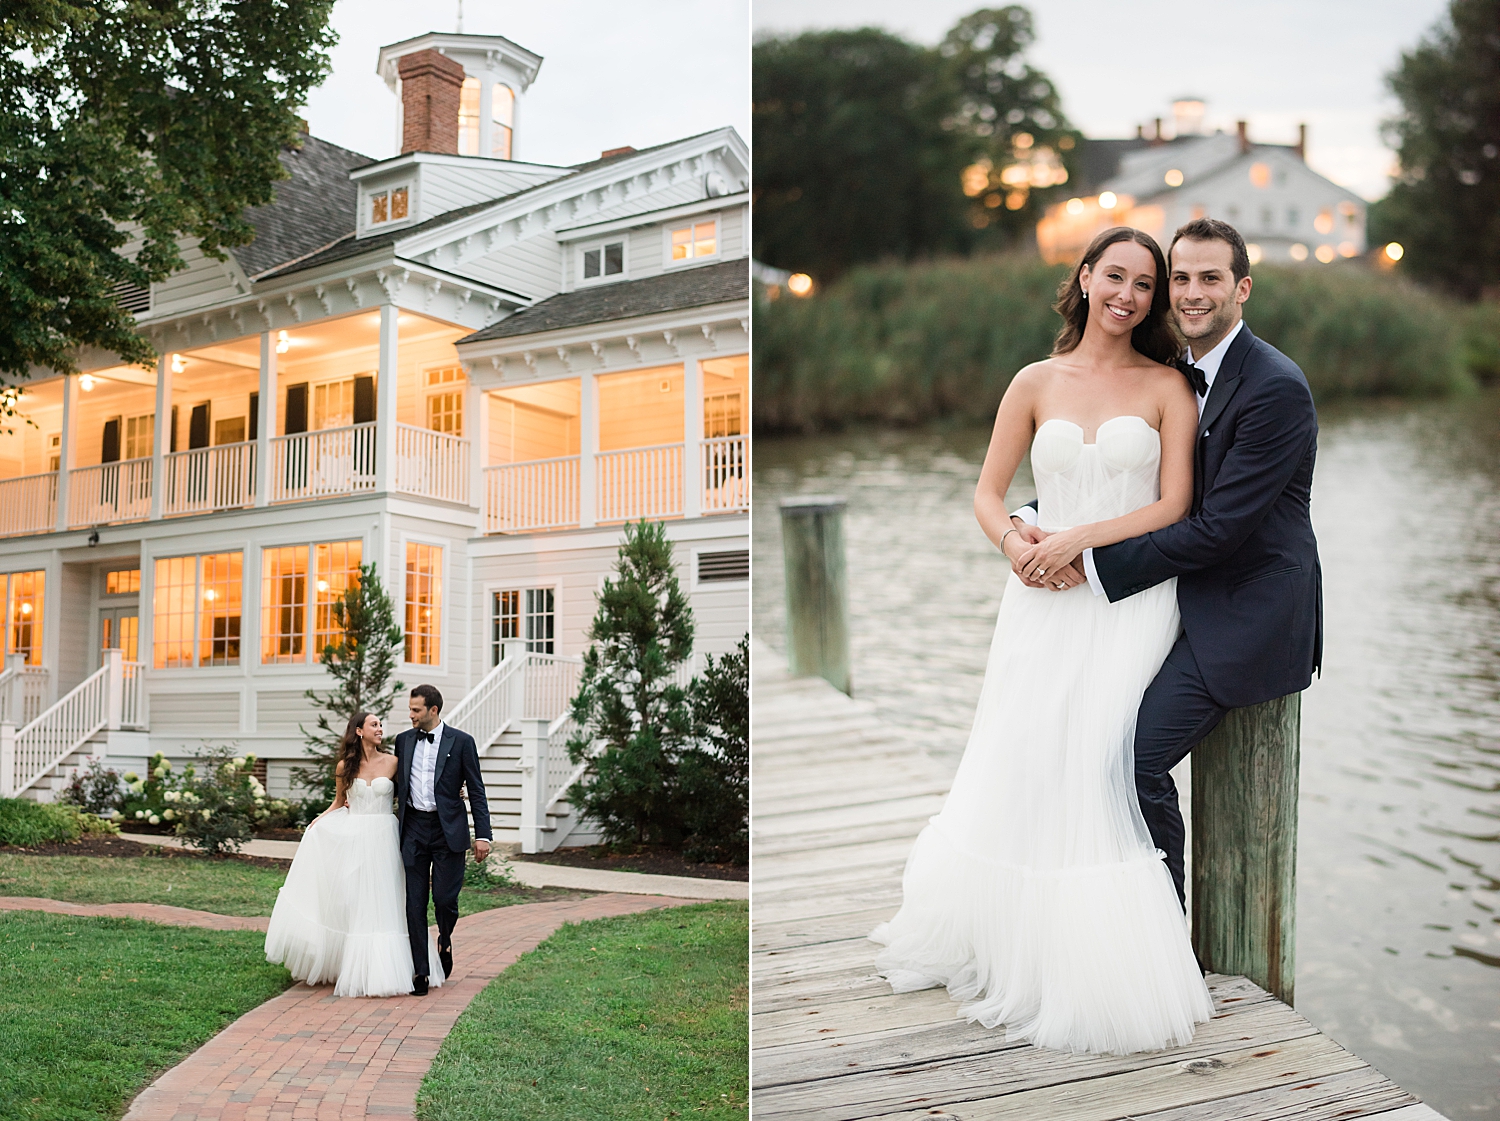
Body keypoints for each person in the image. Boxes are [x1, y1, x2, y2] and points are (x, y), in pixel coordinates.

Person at [871, 225, 1215, 1055]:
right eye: (1115, 276)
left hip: (1126, 596)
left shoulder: (1170, 385)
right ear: (1085, 277)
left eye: (1145, 283)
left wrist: (1078, 539)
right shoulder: (1033, 380)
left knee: (1100, 759)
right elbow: (988, 493)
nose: (1127, 294)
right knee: (1028, 755)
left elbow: (1173, 506)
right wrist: (1017, 543)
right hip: (1039, 595)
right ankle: (1020, 946)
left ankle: (1109, 958)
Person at [1011, 217, 1322, 909]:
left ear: (1242, 287)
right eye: (1180, 278)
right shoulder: (1179, 375)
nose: (1191, 292)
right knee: (1078, 741)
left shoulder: (1275, 387)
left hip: (1242, 612)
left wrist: (1087, 560)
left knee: (1131, 757)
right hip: (1171, 602)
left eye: (1210, 278)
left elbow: (1214, 530)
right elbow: (1128, 480)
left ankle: (1161, 929)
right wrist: (1032, 521)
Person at [265, 712, 441, 997]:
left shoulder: (394, 762)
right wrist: (317, 823)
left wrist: (451, 793)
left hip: (385, 836)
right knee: (356, 900)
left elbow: (418, 788)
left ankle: (392, 968)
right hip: (355, 836)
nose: (380, 728)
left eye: (381, 725)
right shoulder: (345, 766)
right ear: (359, 731)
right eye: (374, 725)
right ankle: (351, 965)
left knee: (386, 900)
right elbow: (337, 802)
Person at [392, 684, 493, 997]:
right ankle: (420, 972)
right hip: (413, 829)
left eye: (416, 710)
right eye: (410, 709)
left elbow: (476, 789)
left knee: (446, 901)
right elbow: (396, 786)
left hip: (449, 829)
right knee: (414, 903)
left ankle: (445, 937)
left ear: (433, 710)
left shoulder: (461, 742)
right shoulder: (403, 741)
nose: (411, 715)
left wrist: (483, 835)